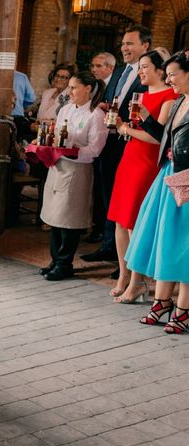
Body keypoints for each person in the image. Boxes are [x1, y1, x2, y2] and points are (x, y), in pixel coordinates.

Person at [125, 50, 189, 333]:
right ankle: (162, 301)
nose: (170, 78)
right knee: (164, 239)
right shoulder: (178, 104)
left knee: (183, 245)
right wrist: (143, 115)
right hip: (169, 174)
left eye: (174, 74)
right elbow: (161, 136)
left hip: (187, 178)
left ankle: (184, 309)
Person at [107, 49, 177, 302]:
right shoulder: (142, 95)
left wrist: (125, 128)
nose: (141, 72)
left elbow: (156, 137)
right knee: (118, 219)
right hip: (130, 158)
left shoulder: (170, 97)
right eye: (140, 68)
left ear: (161, 70)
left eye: (146, 67)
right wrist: (123, 127)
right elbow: (135, 130)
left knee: (134, 223)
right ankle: (123, 276)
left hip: (147, 163)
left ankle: (138, 281)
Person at [81, 25, 151, 268]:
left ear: (145, 46)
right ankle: (109, 246)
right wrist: (106, 108)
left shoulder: (149, 74)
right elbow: (113, 101)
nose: (124, 48)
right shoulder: (120, 72)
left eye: (130, 43)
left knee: (127, 201)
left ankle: (128, 259)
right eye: (123, 44)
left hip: (133, 142)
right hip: (109, 140)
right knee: (107, 194)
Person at [38, 71, 109, 281]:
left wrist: (72, 151)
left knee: (68, 218)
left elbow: (95, 150)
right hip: (58, 166)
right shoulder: (66, 109)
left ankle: (64, 263)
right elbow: (58, 136)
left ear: (88, 88)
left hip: (78, 170)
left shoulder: (96, 115)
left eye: (74, 87)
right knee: (53, 215)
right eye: (69, 87)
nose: (70, 92)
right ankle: (54, 259)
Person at [87, 51, 117, 244]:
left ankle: (104, 229)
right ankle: (96, 225)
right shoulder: (95, 85)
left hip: (110, 140)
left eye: (99, 66)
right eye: (93, 66)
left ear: (110, 68)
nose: (94, 69)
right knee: (95, 186)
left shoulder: (114, 84)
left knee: (105, 187)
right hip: (93, 137)